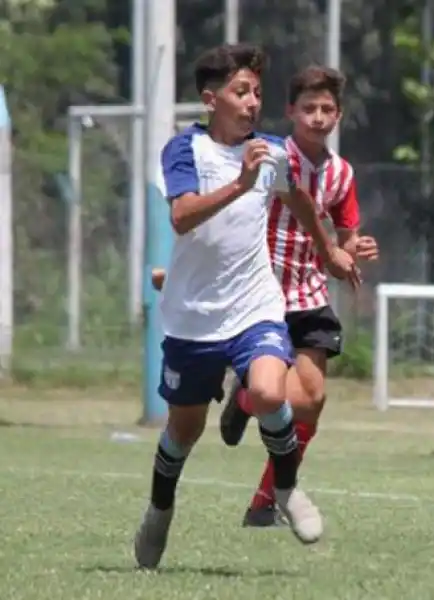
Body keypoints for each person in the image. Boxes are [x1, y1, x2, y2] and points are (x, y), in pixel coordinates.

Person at [132, 44, 358, 569]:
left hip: (255, 304)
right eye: (241, 92)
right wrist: (240, 184)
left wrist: (331, 252)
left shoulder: (272, 151)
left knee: (266, 388)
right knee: (182, 433)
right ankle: (159, 511)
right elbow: (183, 217)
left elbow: (298, 199)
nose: (252, 102)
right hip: (193, 316)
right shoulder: (185, 151)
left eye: (257, 92)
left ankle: (285, 490)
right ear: (211, 100)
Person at [217, 65, 379, 529]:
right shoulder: (267, 158)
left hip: (308, 292)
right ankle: (264, 484)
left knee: (311, 400)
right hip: (260, 291)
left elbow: (345, 241)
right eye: (309, 108)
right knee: (282, 395)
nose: (318, 117)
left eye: (328, 109)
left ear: (339, 115)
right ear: (290, 111)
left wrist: (356, 250)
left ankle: (262, 489)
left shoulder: (342, 175)